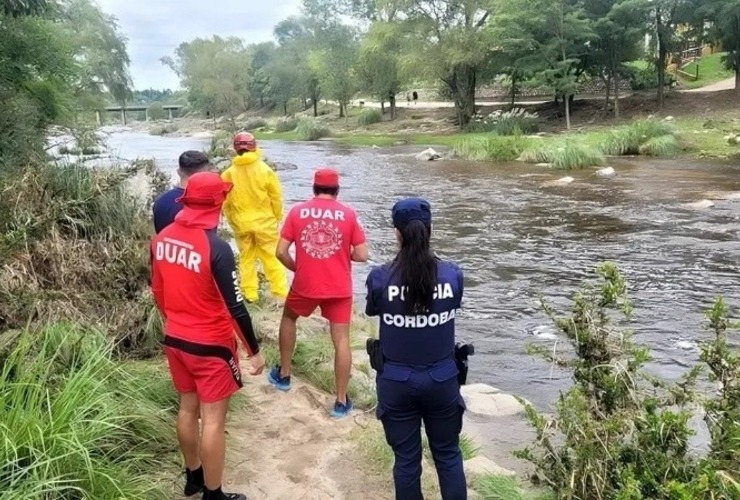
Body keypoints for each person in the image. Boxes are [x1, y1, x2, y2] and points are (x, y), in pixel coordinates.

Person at [150, 171, 266, 500]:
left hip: (176, 339)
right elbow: (236, 307)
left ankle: (194, 478)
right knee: (213, 419)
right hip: (212, 346)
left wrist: (173, 321)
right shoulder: (216, 247)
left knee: (188, 408)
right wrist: (254, 351)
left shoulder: (161, 239)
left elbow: (157, 290)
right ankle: (214, 496)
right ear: (219, 202)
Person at [364, 197, 467, 500]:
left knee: (407, 462)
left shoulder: (381, 277)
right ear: (430, 229)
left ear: (397, 233)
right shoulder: (452, 275)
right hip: (442, 380)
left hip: (396, 382)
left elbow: (372, 309)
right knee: (448, 455)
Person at [268, 168, 368, 418]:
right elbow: (363, 255)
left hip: (306, 284)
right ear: (337, 190)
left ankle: (284, 375)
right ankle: (341, 401)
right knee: (341, 340)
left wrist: (297, 267)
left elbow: (280, 252)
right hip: (339, 288)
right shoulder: (349, 214)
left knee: (289, 318)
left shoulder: (297, 211)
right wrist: (345, 254)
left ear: (313, 188)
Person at [221, 132, 288, 303]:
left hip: (241, 224)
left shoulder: (228, 174)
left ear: (235, 149)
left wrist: (231, 219)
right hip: (265, 223)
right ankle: (279, 292)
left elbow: (224, 202)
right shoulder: (266, 171)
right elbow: (276, 197)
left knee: (246, 257)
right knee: (271, 257)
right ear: (254, 146)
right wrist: (277, 216)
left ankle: (250, 293)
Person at [152, 150, 211, 234]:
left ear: (179, 172)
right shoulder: (207, 205)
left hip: (165, 245)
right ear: (205, 174)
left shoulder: (160, 201)